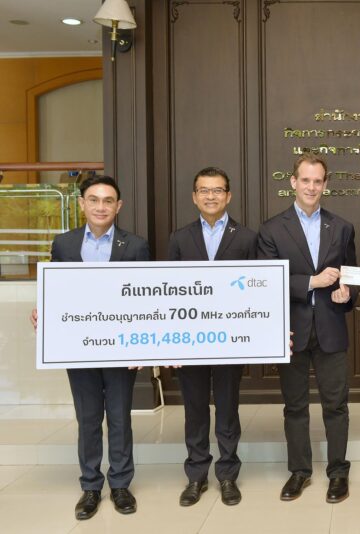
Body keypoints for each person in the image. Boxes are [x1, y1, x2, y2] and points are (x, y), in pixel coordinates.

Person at [30, 175, 148, 520]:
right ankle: (91, 486)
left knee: (120, 416)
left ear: (118, 206)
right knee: (88, 417)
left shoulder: (136, 246)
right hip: (78, 347)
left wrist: (143, 345)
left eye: (108, 200)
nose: (100, 206)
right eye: (93, 200)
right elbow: (56, 290)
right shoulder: (63, 244)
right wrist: (44, 310)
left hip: (121, 348)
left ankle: (121, 484)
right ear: (82, 204)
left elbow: (146, 299)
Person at [258, 154, 357, 504]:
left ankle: (338, 472)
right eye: (305, 180)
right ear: (293, 182)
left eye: (318, 181)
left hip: (331, 329)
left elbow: (351, 276)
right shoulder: (271, 229)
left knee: (336, 406)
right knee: (295, 406)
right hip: (290, 332)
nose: (311, 187)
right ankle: (299, 471)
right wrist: (312, 282)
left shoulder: (342, 227)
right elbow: (266, 282)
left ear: (325, 184)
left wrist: (347, 293)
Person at [167, 167, 257, 507]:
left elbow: (257, 289)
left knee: (227, 408)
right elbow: (169, 292)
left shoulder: (247, 238)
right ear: (194, 197)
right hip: (191, 340)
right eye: (204, 190)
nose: (210, 196)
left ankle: (228, 475)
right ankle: (196, 476)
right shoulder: (180, 238)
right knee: (194, 409)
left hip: (231, 339)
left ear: (228, 196)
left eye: (217, 190)